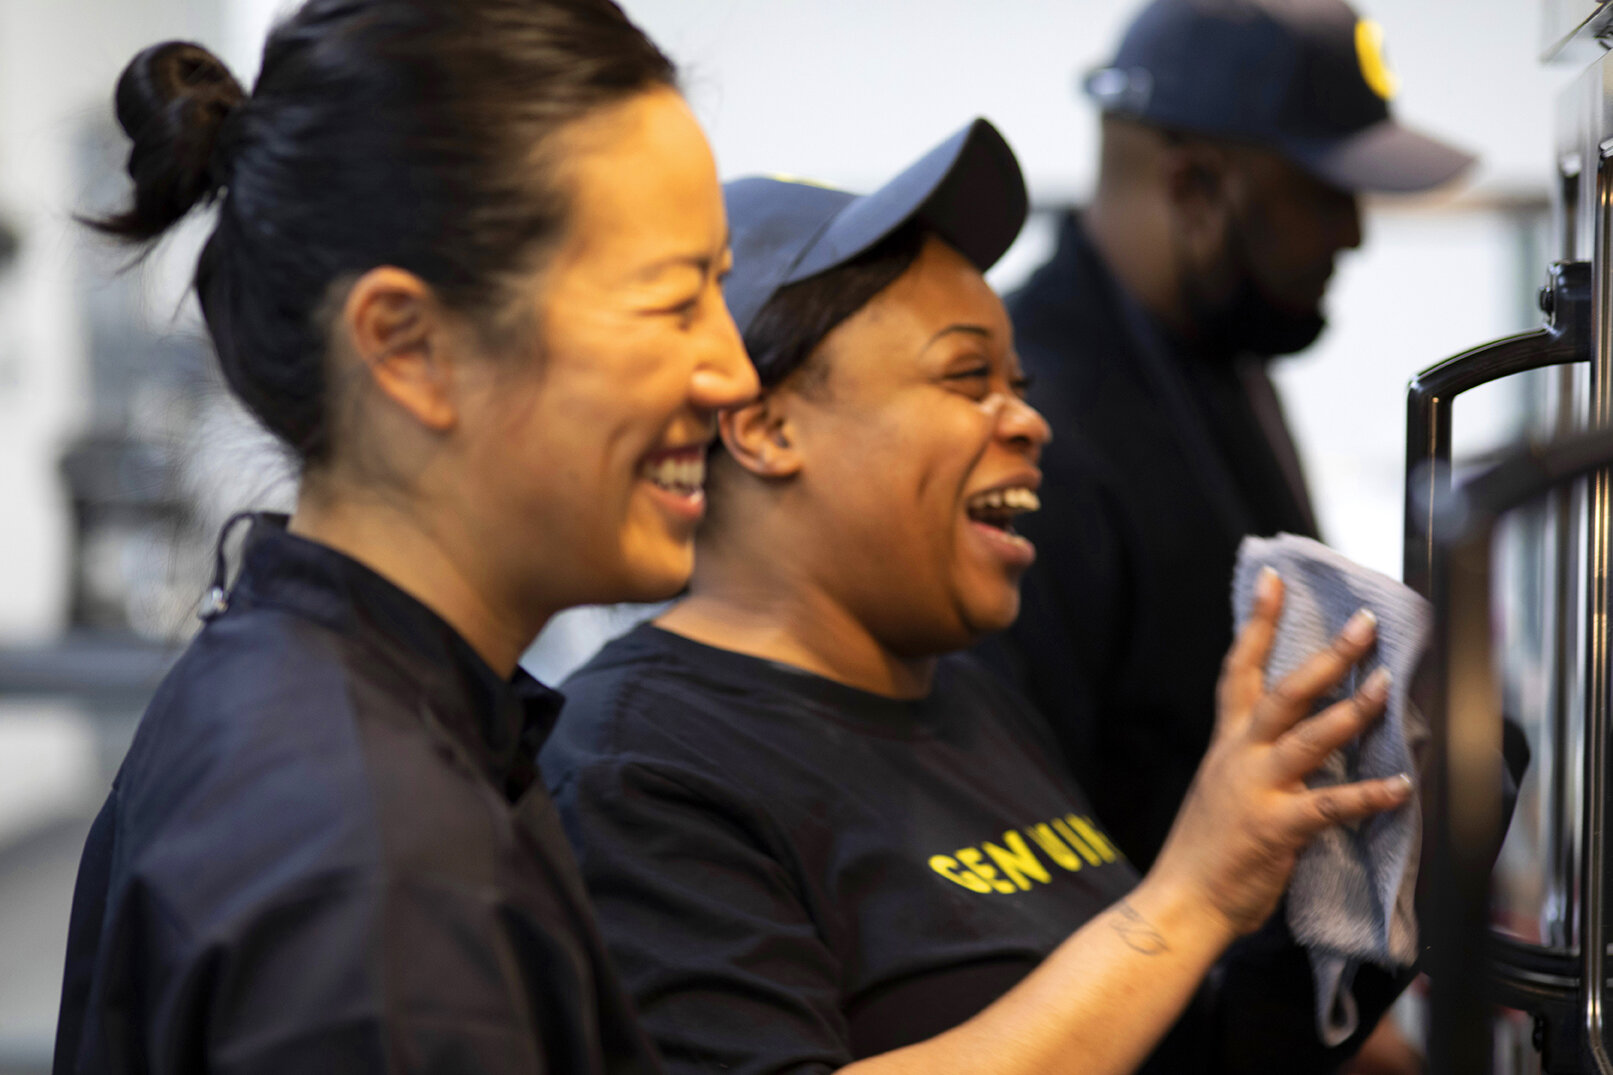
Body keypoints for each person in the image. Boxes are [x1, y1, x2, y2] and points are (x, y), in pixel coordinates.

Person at [540, 118, 1413, 1075]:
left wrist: (1338, 892)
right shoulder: (637, 765)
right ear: (762, 427)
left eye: (1017, 381)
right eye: (967, 377)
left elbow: (1160, 1050)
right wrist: (1187, 898)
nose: (1030, 421)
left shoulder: (968, 697)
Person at [52, 1, 757, 1070]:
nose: (733, 372)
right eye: (671, 303)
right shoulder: (380, 881)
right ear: (408, 347)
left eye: (722, 290)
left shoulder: (306, 693)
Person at [991, 0, 1475, 872]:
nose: (1354, 234)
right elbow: (1028, 839)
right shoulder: (1034, 431)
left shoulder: (1225, 360)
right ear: (1192, 189)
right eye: (1323, 195)